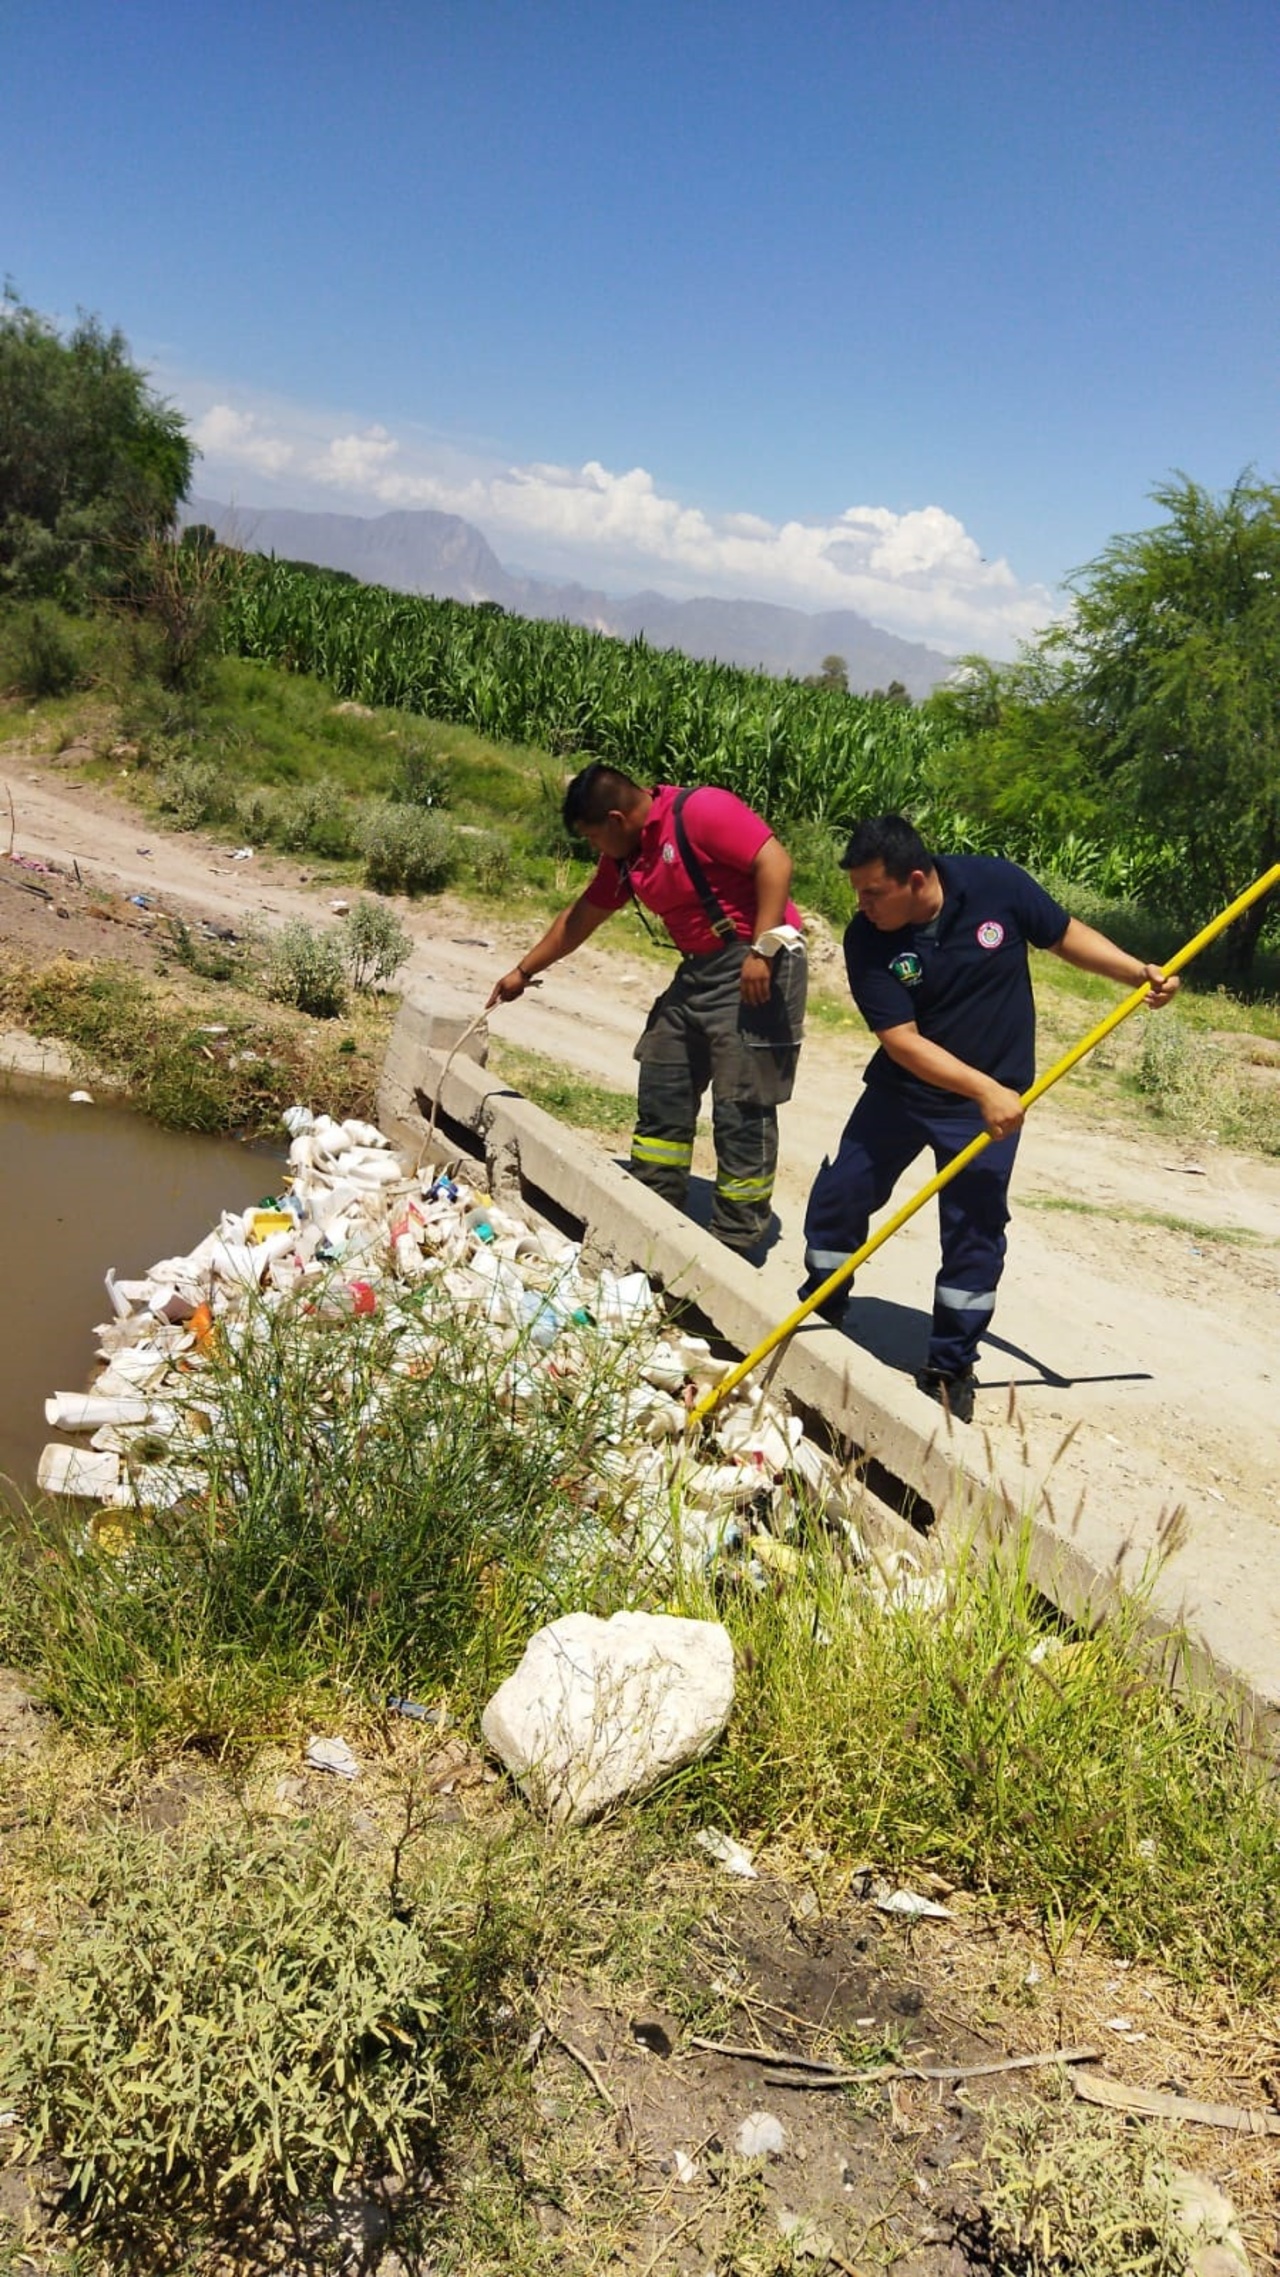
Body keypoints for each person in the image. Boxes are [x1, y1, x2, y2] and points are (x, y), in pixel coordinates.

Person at [801, 813, 1179, 1421]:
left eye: (873, 892)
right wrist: (984, 1089)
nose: (862, 905)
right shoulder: (867, 938)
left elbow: (1063, 934)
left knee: (974, 1233)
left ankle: (950, 1367)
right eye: (859, 893)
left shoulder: (996, 885)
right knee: (843, 1195)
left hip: (990, 1109)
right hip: (906, 1092)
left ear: (916, 880)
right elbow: (901, 1041)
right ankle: (823, 1303)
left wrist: (1137, 972)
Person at [487, 762, 807, 1255]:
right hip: (700, 967)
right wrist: (523, 972)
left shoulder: (700, 811)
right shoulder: (629, 856)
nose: (596, 849)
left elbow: (776, 863)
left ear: (616, 819)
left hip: (757, 960)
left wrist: (762, 952)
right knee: (664, 1067)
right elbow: (581, 917)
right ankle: (654, 1204)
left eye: (595, 837)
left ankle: (735, 1240)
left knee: (742, 1100)